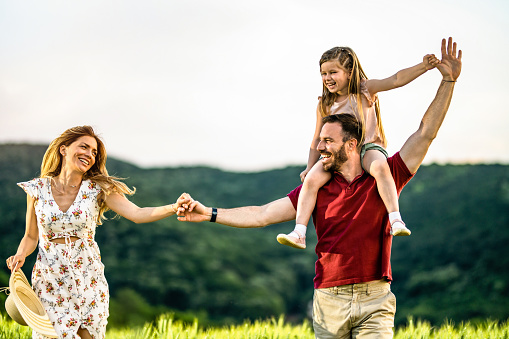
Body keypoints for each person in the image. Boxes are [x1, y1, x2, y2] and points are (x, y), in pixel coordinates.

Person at [177, 38, 462, 338]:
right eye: (321, 139)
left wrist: (448, 80)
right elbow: (262, 214)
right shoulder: (317, 187)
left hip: (375, 299)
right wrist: (207, 212)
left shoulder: (385, 174)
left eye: (329, 141)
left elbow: (426, 132)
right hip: (328, 303)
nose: (321, 146)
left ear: (352, 143)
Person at [6, 126, 188, 339]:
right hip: (50, 278)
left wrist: (174, 207)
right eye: (84, 147)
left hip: (87, 276)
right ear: (63, 149)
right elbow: (30, 236)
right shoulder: (37, 189)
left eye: (94, 152)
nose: (89, 155)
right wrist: (20, 255)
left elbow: (138, 213)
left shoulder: (97, 188)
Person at [277, 47, 440, 250]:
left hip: (367, 147)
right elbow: (316, 139)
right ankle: (299, 232)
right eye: (323, 74)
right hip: (336, 154)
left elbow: (396, 79)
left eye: (333, 72)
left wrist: (424, 66)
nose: (327, 78)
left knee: (381, 168)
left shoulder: (364, 90)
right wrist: (310, 167)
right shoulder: (325, 104)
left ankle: (395, 219)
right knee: (311, 181)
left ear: (349, 72)